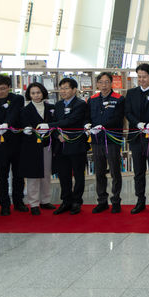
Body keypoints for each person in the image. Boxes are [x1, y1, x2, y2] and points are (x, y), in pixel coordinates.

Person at [0, 74, 27, 215]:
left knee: (18, 175)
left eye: (2, 88)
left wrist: (6, 124)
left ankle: (18, 201)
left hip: (17, 143)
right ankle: (4, 205)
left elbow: (14, 114)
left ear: (9, 87)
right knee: (2, 177)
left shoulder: (17, 99)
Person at [125, 63, 149, 214]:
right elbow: (128, 112)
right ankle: (140, 200)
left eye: (144, 77)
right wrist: (138, 123)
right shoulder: (131, 93)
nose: (141, 80)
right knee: (138, 171)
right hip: (136, 137)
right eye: (139, 77)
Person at [44, 77, 88, 215]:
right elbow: (56, 121)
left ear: (74, 90)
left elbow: (71, 120)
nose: (63, 91)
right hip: (61, 144)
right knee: (63, 175)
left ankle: (77, 201)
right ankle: (66, 201)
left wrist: (50, 126)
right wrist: (57, 134)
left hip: (76, 144)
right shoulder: (58, 105)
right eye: (61, 88)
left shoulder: (80, 104)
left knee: (79, 174)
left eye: (66, 88)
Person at [85, 72, 126, 214]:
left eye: (107, 82)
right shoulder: (92, 99)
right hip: (96, 141)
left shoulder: (119, 99)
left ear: (111, 83)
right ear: (97, 84)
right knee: (99, 172)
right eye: (101, 82)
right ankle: (102, 201)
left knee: (115, 172)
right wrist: (88, 125)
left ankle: (116, 201)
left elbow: (118, 118)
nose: (104, 85)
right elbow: (87, 117)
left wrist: (102, 126)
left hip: (112, 140)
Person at [19, 82, 56, 215]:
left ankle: (45, 200)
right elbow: (23, 125)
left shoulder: (51, 107)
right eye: (33, 93)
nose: (36, 95)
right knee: (33, 175)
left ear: (43, 93)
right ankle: (34, 203)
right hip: (31, 146)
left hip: (47, 145)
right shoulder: (25, 110)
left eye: (38, 92)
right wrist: (26, 130)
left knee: (46, 174)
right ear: (29, 95)